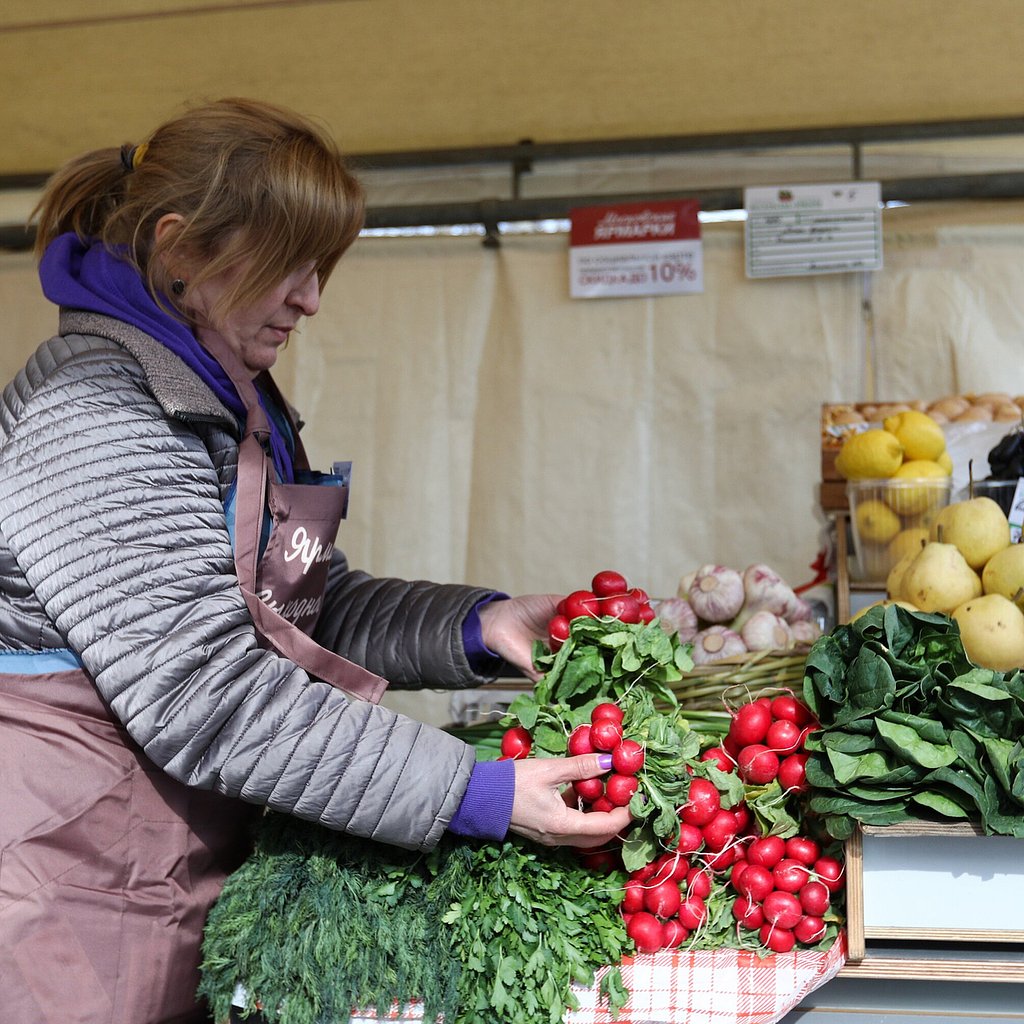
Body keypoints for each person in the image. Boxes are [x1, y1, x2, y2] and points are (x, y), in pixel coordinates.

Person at [0, 97, 632, 1024]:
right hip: (74, 882)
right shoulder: (93, 415)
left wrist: (475, 625)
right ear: (180, 250)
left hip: (175, 855)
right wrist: (472, 790)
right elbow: (203, 690)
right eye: (291, 266)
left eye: (320, 266)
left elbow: (289, 610)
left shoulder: (226, 397)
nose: (312, 298)